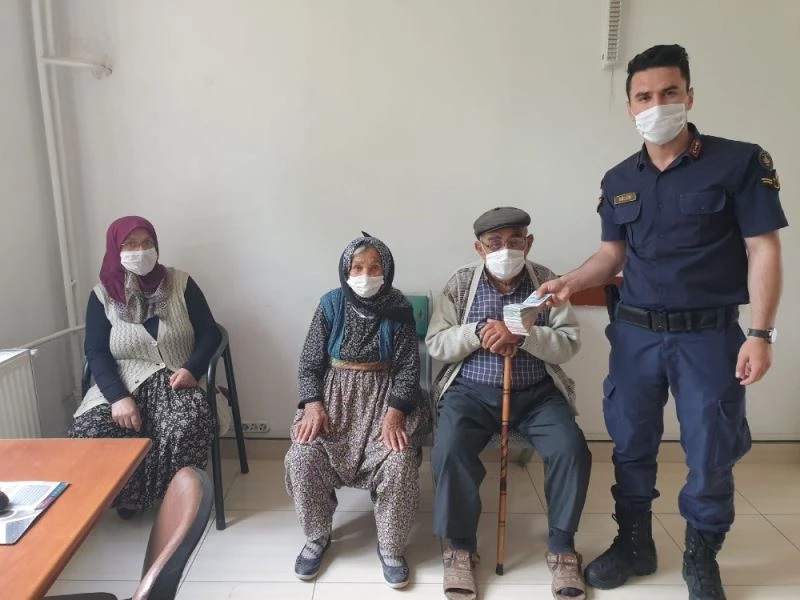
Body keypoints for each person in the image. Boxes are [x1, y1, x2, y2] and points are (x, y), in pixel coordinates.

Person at [536, 44, 787, 600]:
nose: (657, 105)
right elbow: (612, 255)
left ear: (689, 95)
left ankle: (701, 554)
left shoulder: (740, 162)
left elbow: (763, 248)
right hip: (636, 335)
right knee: (630, 442)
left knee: (712, 449)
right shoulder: (619, 179)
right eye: (644, 96)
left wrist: (761, 333)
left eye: (669, 92)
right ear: (630, 106)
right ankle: (634, 543)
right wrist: (569, 282)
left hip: (709, 335)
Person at [427, 207, 591, 600]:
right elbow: (437, 343)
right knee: (450, 448)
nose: (505, 250)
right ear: (479, 248)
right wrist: (477, 331)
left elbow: (568, 343)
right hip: (470, 393)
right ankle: (460, 547)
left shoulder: (547, 283)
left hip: (537, 395)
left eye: (514, 241)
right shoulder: (461, 283)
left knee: (571, 449)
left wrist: (522, 333)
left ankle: (562, 548)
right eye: (494, 243)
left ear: (528, 243)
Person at [284, 233, 430, 589]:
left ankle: (391, 547)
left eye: (375, 267)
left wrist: (395, 414)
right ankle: (317, 536)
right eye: (358, 267)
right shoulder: (331, 304)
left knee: (398, 460)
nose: (366, 275)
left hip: (385, 401)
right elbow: (308, 363)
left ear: (387, 270)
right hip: (333, 404)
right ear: (345, 271)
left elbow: (408, 369)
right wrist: (313, 405)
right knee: (302, 456)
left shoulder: (398, 307)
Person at [69, 216, 220, 518]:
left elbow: (210, 333)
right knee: (89, 431)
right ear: (116, 249)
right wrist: (117, 398)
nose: (141, 251)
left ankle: (173, 498)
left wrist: (192, 369)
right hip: (123, 383)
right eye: (131, 245)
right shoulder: (102, 296)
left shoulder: (180, 283)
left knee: (186, 425)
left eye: (147, 243)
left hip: (177, 378)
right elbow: (96, 351)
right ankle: (128, 496)